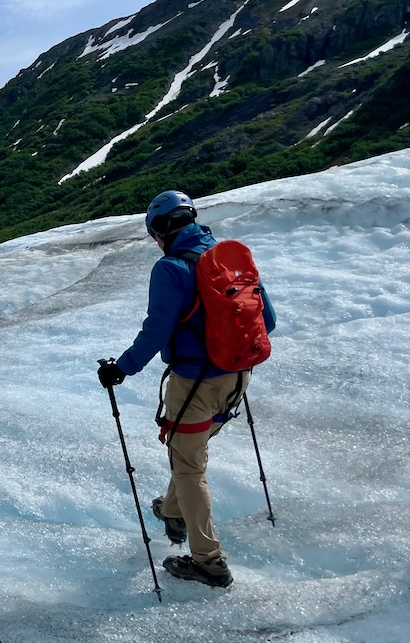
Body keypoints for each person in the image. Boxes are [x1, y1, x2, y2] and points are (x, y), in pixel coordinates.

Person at [97, 191, 276, 589]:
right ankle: (173, 512)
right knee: (188, 455)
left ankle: (208, 560)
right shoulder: (230, 259)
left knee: (191, 468)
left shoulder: (172, 268)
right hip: (238, 377)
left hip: (194, 382)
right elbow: (270, 320)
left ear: (160, 230)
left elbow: (157, 329)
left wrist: (121, 369)